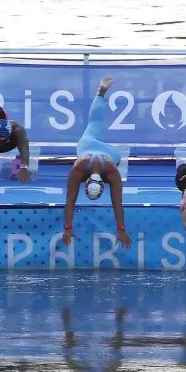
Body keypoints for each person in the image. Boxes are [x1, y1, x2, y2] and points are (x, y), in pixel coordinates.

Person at [62, 77, 131, 249]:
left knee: (95, 123)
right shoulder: (82, 168)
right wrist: (120, 230)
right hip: (88, 146)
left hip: (110, 153)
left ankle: (101, 92)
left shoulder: (111, 171)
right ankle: (101, 93)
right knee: (95, 123)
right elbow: (117, 204)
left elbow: (70, 201)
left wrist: (68, 228)